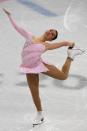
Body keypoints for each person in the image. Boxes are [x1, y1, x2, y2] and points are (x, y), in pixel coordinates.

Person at [3, 8, 85, 126]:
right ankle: (40, 114)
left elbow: (61, 44)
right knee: (34, 93)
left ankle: (70, 57)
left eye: (53, 34)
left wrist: (69, 44)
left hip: (39, 64)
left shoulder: (46, 45)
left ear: (50, 39)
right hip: (29, 68)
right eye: (51, 30)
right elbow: (18, 28)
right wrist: (10, 16)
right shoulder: (30, 37)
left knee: (63, 76)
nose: (50, 32)